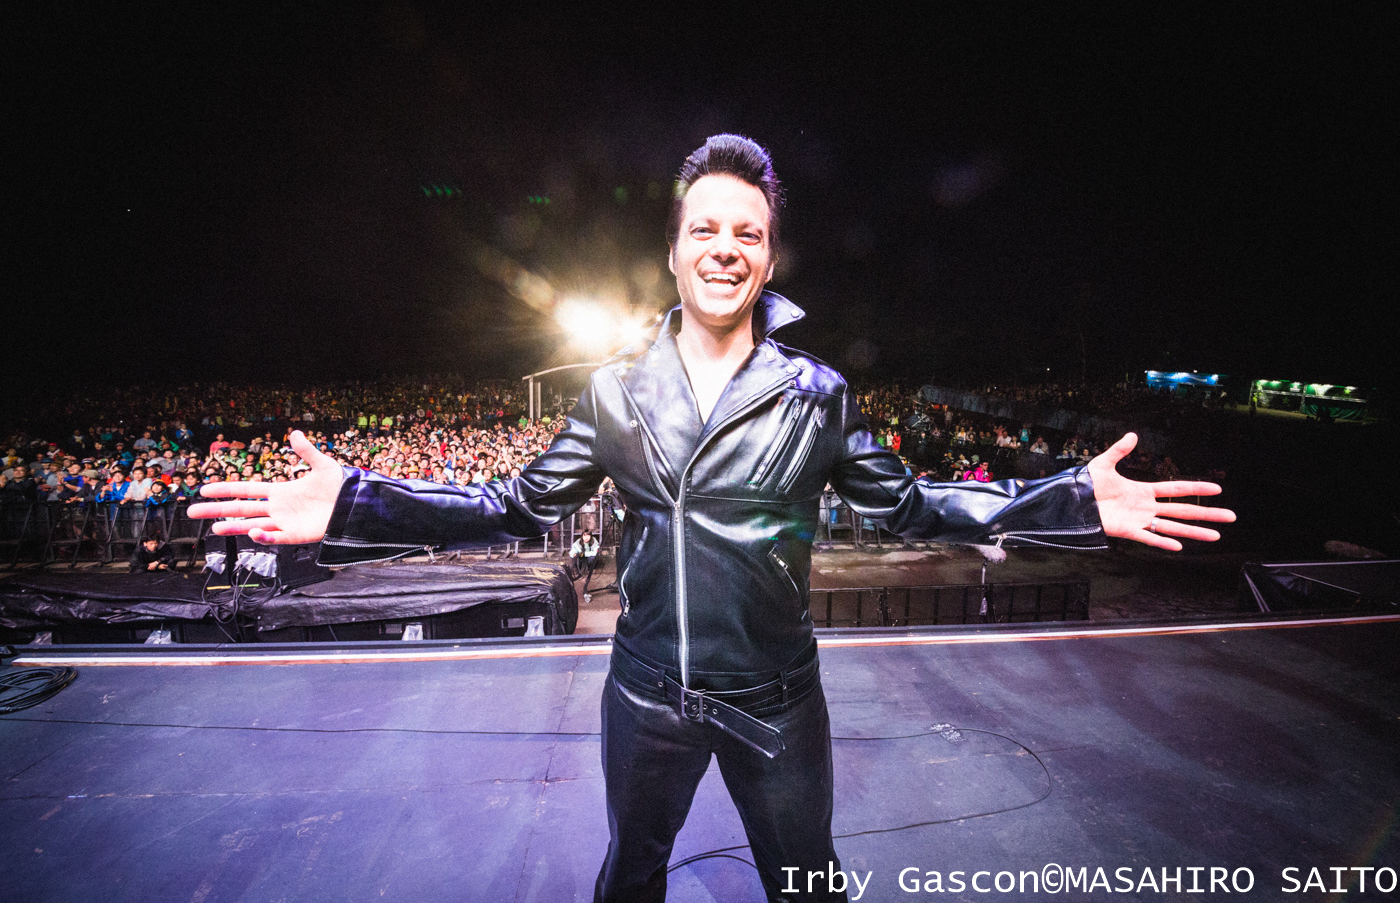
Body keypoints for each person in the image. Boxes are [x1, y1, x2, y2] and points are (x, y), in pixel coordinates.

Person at [191, 134, 1234, 903]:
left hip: (777, 702)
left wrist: (1072, 496)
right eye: (705, 229)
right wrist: (356, 497)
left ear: (768, 261)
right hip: (645, 695)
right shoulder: (613, 393)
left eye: (748, 233)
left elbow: (913, 503)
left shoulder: (816, 396)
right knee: (628, 876)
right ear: (674, 252)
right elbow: (515, 507)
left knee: (807, 881)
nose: (725, 248)